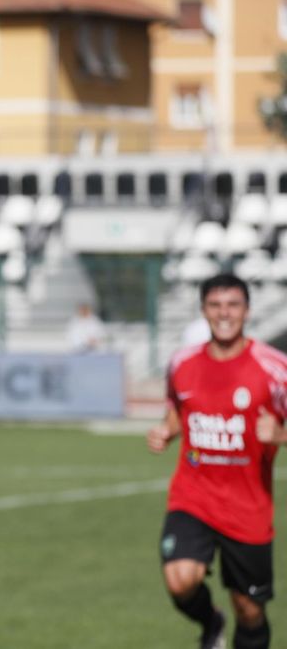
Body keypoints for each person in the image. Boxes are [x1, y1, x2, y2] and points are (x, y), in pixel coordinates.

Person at [147, 273, 287, 649]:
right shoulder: (182, 363)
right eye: (215, 305)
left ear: (247, 311)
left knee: (250, 610)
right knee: (180, 581)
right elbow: (179, 410)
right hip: (193, 496)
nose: (224, 313)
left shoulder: (274, 368)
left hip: (248, 507)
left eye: (233, 305)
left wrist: (280, 435)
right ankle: (212, 623)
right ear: (203, 310)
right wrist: (167, 430)